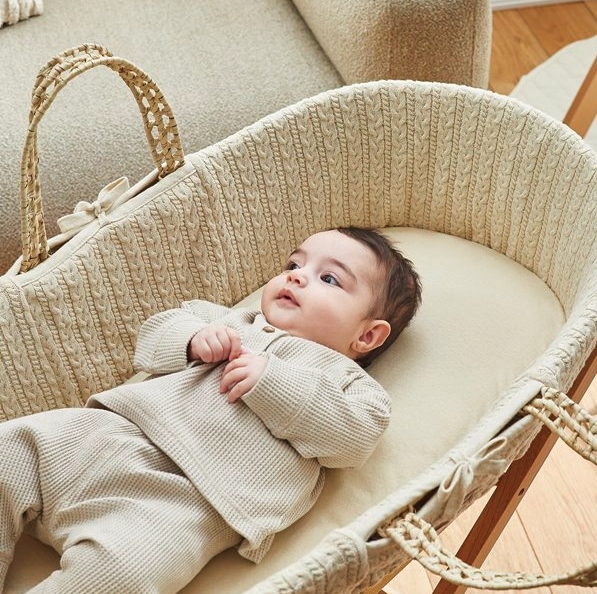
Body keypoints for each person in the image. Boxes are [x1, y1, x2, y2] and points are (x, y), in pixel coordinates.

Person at [0, 227, 422, 593]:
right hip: (105, 436)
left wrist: (274, 383)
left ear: (367, 336)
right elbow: (153, 335)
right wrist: (192, 339)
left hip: (186, 503)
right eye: (295, 263)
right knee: (10, 449)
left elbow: (354, 438)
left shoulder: (349, 384)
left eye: (328, 278)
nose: (296, 275)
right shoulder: (224, 320)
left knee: (122, 574)